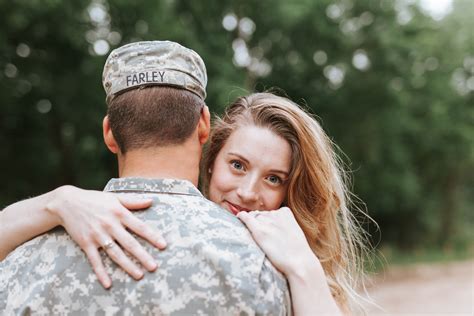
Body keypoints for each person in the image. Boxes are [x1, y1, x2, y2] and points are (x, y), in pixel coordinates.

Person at [0, 41, 292, 315]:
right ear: (203, 124)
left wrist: (55, 201)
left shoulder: (20, 259)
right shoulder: (261, 261)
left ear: (109, 133)